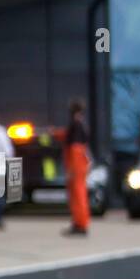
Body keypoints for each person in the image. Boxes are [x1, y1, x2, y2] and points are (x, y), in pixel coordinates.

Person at [63, 98, 92, 236]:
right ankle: (79, 222)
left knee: (78, 195)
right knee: (78, 195)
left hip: (77, 165)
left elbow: (75, 148)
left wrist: (71, 170)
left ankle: (81, 224)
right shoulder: (80, 124)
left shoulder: (76, 125)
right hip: (80, 164)